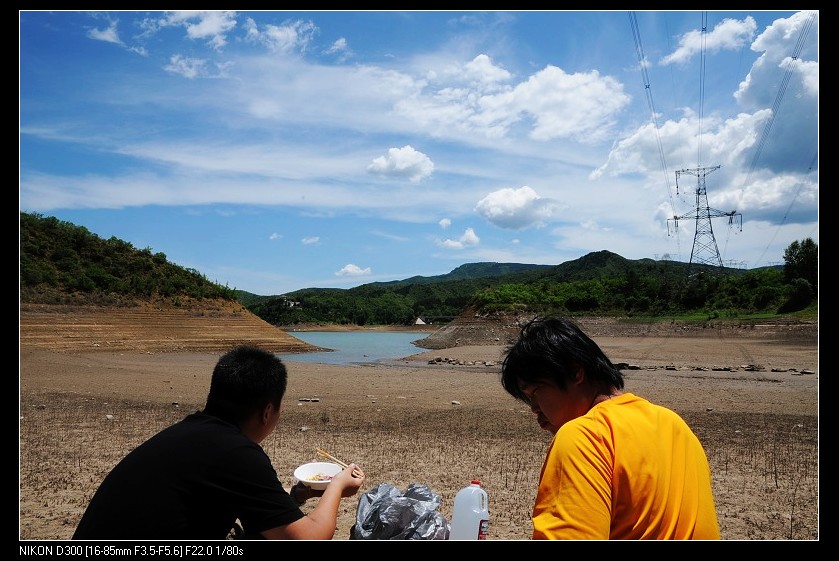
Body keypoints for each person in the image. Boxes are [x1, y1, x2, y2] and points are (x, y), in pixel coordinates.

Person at [72, 345, 365, 540]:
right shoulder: (237, 453)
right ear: (267, 412)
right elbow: (309, 538)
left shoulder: (189, 434)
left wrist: (298, 496)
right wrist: (338, 485)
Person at [500, 316, 720, 540]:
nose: (534, 408)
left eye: (536, 391)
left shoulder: (584, 436)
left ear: (576, 372)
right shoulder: (674, 424)